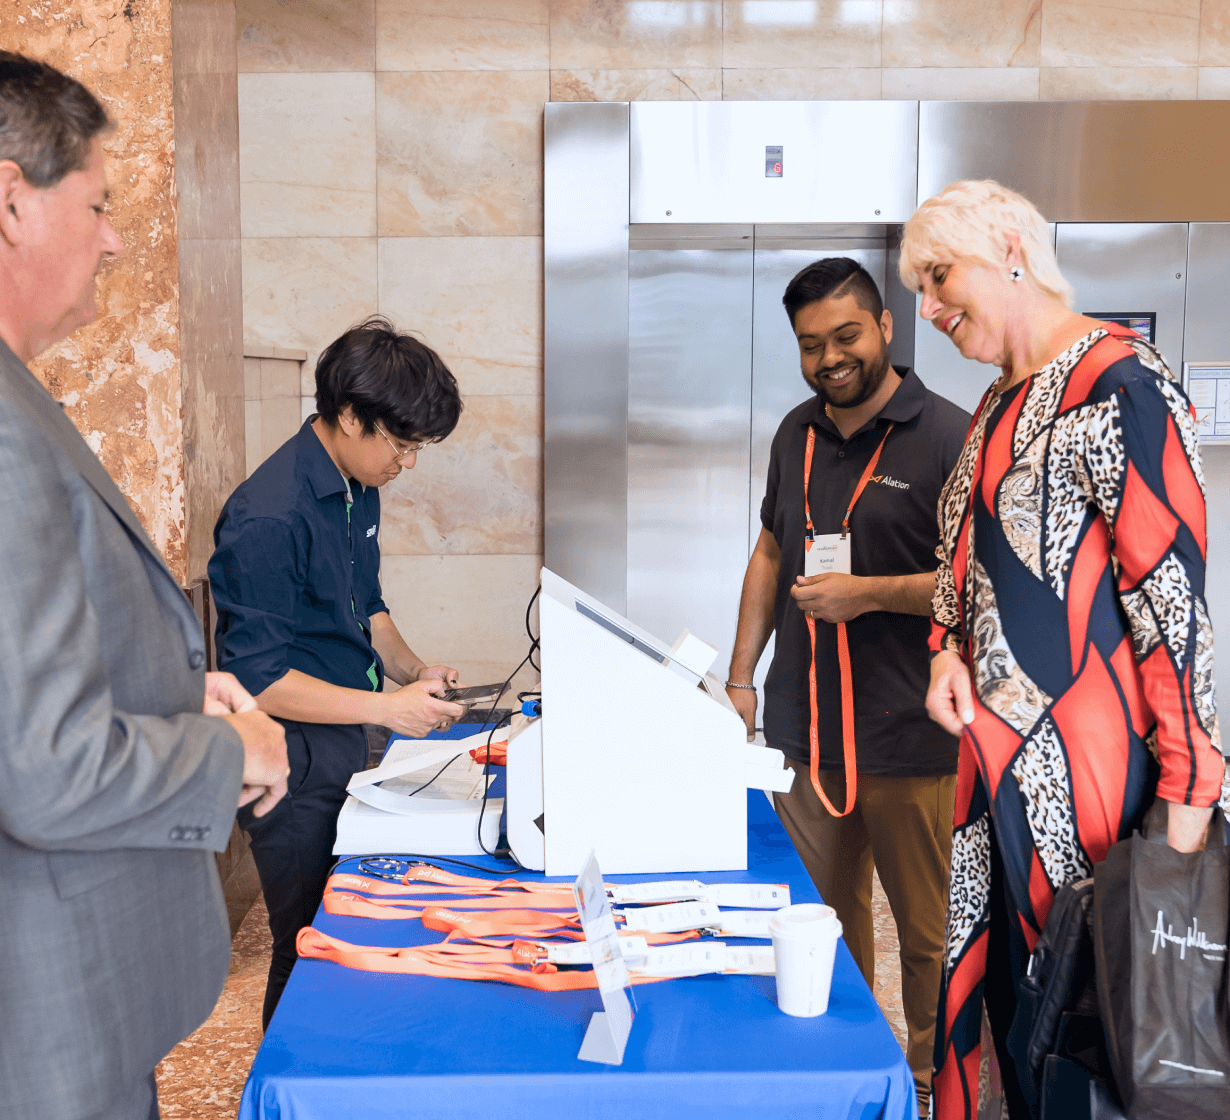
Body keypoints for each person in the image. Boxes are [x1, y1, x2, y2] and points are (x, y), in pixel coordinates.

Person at [0, 53, 289, 1120]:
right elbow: (43, 765)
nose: (118, 236)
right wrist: (231, 749)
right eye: (100, 202)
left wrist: (172, 697)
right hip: (42, 1030)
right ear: (13, 202)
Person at [899, 179, 1226, 1120]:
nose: (928, 306)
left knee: (1096, 1046)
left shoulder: (1119, 382)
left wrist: (1188, 802)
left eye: (938, 275)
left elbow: (1173, 608)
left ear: (1009, 244)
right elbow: (962, 570)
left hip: (1099, 788)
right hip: (994, 785)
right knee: (1015, 1027)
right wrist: (943, 653)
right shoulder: (1000, 401)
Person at [726, 257, 970, 1114]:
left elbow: (972, 584)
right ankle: (844, 1076)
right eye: (809, 344)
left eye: (845, 336)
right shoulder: (794, 431)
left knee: (929, 938)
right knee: (820, 926)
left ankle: (938, 1079)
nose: (829, 357)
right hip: (805, 734)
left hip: (912, 737)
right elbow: (769, 551)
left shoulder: (950, 436)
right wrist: (741, 677)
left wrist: (864, 593)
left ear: (886, 328)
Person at [208, 316, 467, 1028]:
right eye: (402, 443)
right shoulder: (269, 516)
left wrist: (413, 671)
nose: (407, 462)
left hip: (349, 740)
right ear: (350, 417)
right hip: (289, 763)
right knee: (308, 944)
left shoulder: (357, 482)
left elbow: (367, 608)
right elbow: (256, 680)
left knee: (353, 933)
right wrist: (387, 710)